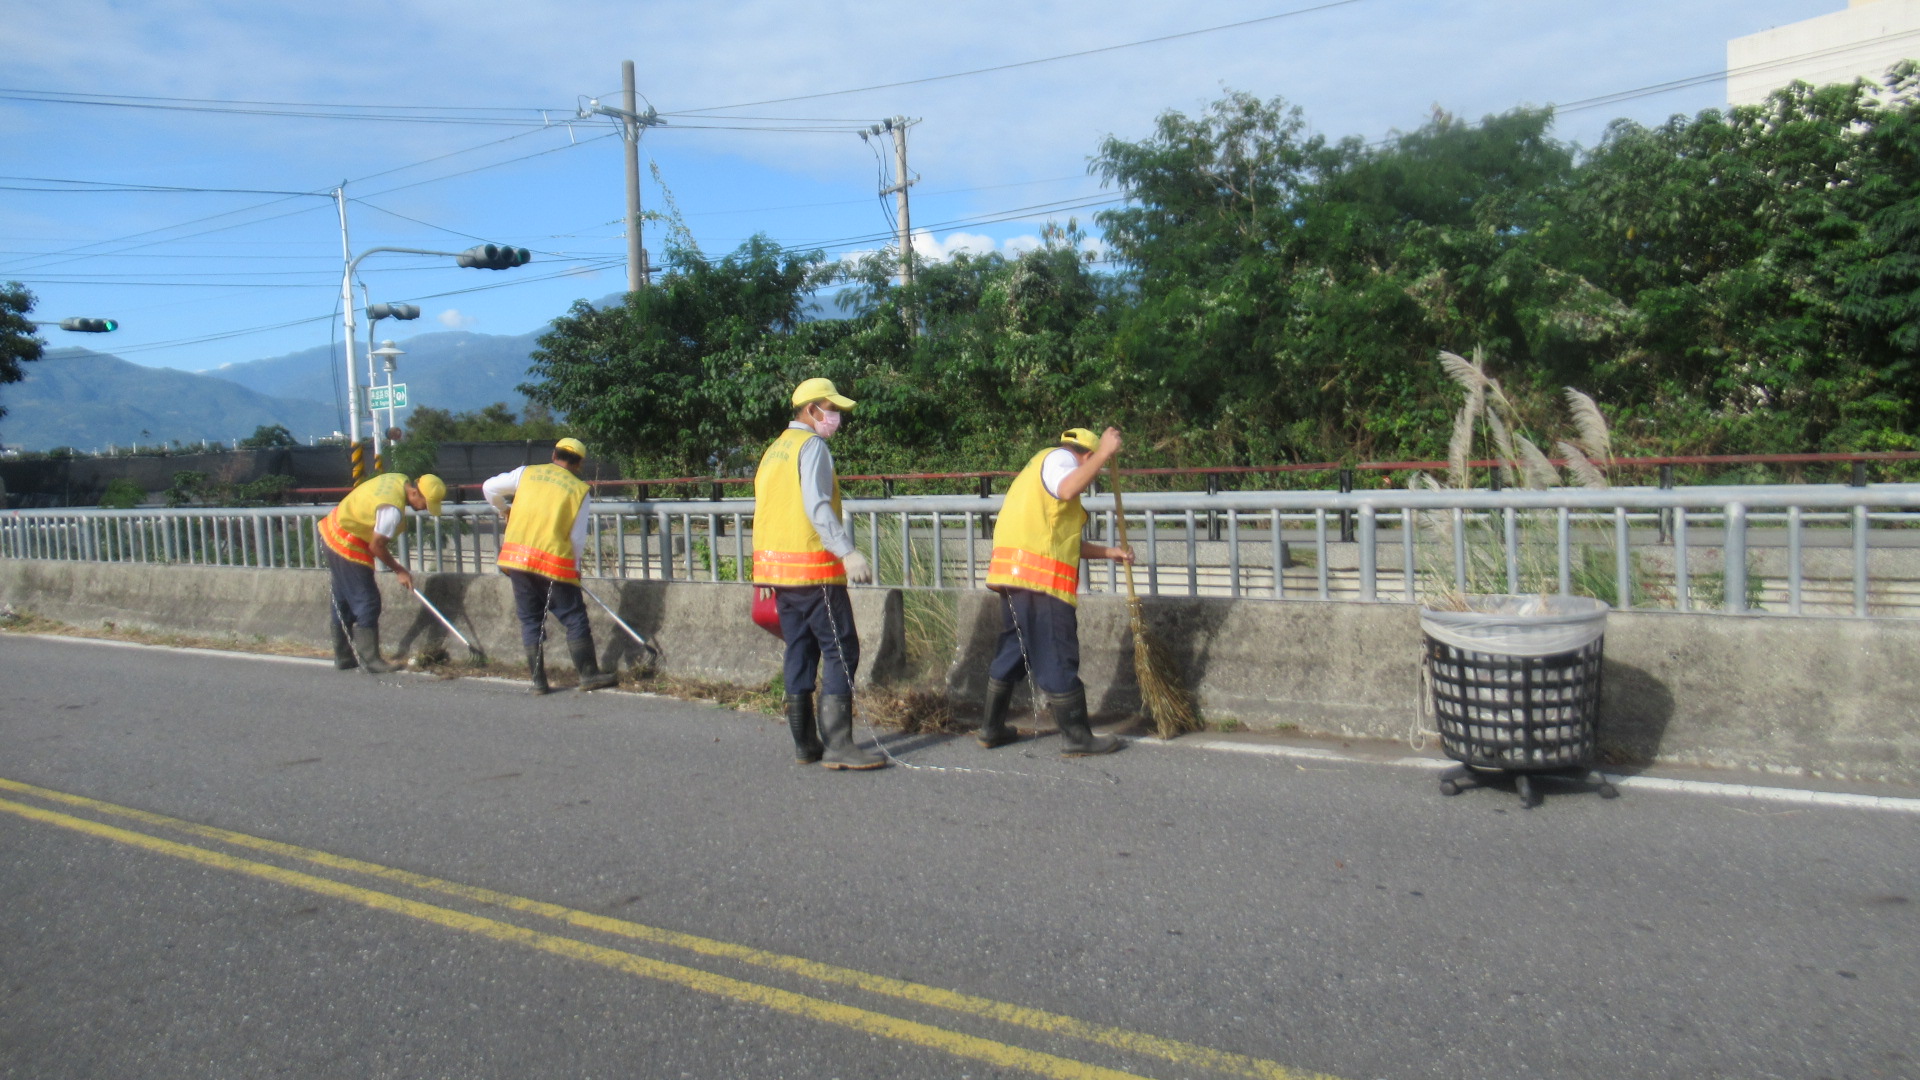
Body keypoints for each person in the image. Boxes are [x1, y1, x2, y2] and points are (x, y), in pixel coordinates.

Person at [752, 377, 884, 770]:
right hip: (815, 571)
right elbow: (817, 505)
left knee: (800, 649)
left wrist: (762, 572)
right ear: (811, 410)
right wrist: (847, 552)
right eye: (832, 409)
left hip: (781, 576)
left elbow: (765, 512)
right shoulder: (812, 447)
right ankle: (839, 745)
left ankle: (805, 744)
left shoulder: (774, 451)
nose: (837, 417)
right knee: (842, 649)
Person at [980, 427, 1135, 754]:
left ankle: (991, 728)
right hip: (1041, 584)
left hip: (1017, 577)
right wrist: (1105, 454)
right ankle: (1077, 737)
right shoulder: (1061, 461)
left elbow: (1058, 540)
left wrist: (1109, 552)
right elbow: (1067, 489)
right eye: (1093, 466)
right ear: (1086, 456)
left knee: (1015, 650)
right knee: (1057, 653)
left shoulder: (1038, 469)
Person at [483, 438, 618, 694]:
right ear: (579, 464)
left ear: (553, 454)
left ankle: (538, 681)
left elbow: (489, 487)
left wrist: (503, 510)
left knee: (530, 619)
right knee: (574, 617)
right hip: (553, 561)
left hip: (517, 558)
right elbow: (576, 537)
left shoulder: (526, 473)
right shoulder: (579, 490)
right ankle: (588, 674)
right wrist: (575, 568)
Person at [318, 470, 446, 674]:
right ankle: (371, 660)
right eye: (425, 504)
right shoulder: (391, 510)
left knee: (343, 600)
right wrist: (399, 570)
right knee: (367, 601)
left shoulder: (398, 479)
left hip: (334, 530)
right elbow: (376, 546)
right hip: (348, 542)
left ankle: (344, 657)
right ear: (415, 493)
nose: (424, 509)